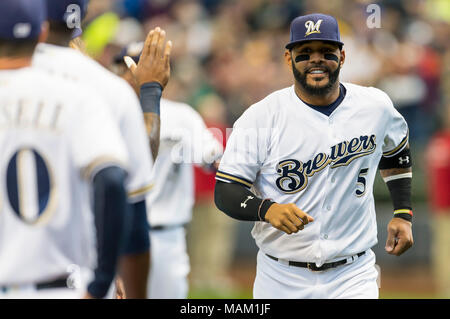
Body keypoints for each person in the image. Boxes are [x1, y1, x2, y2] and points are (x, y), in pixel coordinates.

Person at [214, 13, 414, 299]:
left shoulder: (375, 106)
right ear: (288, 58)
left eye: (326, 52)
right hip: (280, 276)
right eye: (305, 53)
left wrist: (403, 213)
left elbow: (396, 151)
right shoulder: (261, 117)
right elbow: (225, 190)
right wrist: (266, 209)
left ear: (342, 56)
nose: (316, 60)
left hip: (353, 274)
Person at [32, 0, 172, 298]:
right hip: (80, 273)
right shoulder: (108, 88)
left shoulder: (10, 78)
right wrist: (150, 91)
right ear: (81, 18)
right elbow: (134, 175)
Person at [0, 0, 129, 299]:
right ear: (41, 35)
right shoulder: (78, 98)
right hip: (65, 286)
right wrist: (103, 280)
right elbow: (111, 182)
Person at [111, 42, 223, 298]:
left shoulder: (182, 116)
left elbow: (212, 156)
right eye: (129, 65)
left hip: (166, 236)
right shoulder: (108, 111)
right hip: (118, 234)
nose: (135, 72)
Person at [425, 102, 450, 298]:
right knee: (444, 254)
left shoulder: (438, 142)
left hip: (443, 208)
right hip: (442, 209)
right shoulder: (438, 141)